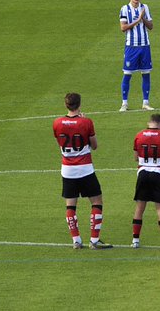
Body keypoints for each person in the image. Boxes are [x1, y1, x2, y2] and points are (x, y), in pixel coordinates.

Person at [51, 92, 112, 249]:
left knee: (70, 205)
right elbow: (94, 145)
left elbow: (59, 140)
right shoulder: (86, 122)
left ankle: (76, 240)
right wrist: (82, 121)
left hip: (67, 170)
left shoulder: (57, 123)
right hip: (85, 168)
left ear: (66, 105)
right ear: (79, 104)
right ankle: (94, 240)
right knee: (97, 201)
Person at [131, 113, 160, 248]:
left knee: (139, 207)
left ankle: (135, 241)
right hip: (158, 173)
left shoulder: (139, 135)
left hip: (143, 173)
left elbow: (135, 157)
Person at [119, 0, 154, 112]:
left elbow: (151, 26)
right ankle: (124, 103)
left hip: (145, 46)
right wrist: (137, 20)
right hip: (131, 46)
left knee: (146, 73)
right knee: (127, 74)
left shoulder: (145, 8)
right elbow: (123, 28)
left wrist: (143, 18)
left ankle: (145, 102)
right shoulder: (124, 9)